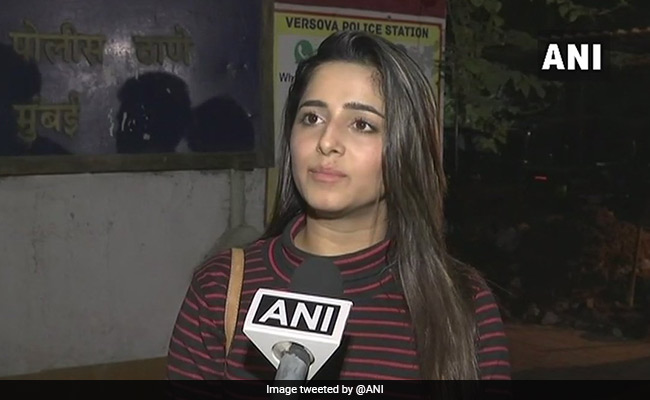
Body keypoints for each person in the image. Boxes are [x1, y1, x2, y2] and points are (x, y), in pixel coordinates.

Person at [167, 30, 510, 380]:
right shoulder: (220, 289)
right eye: (312, 118)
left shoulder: (463, 302)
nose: (327, 141)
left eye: (362, 124)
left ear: (406, 148)